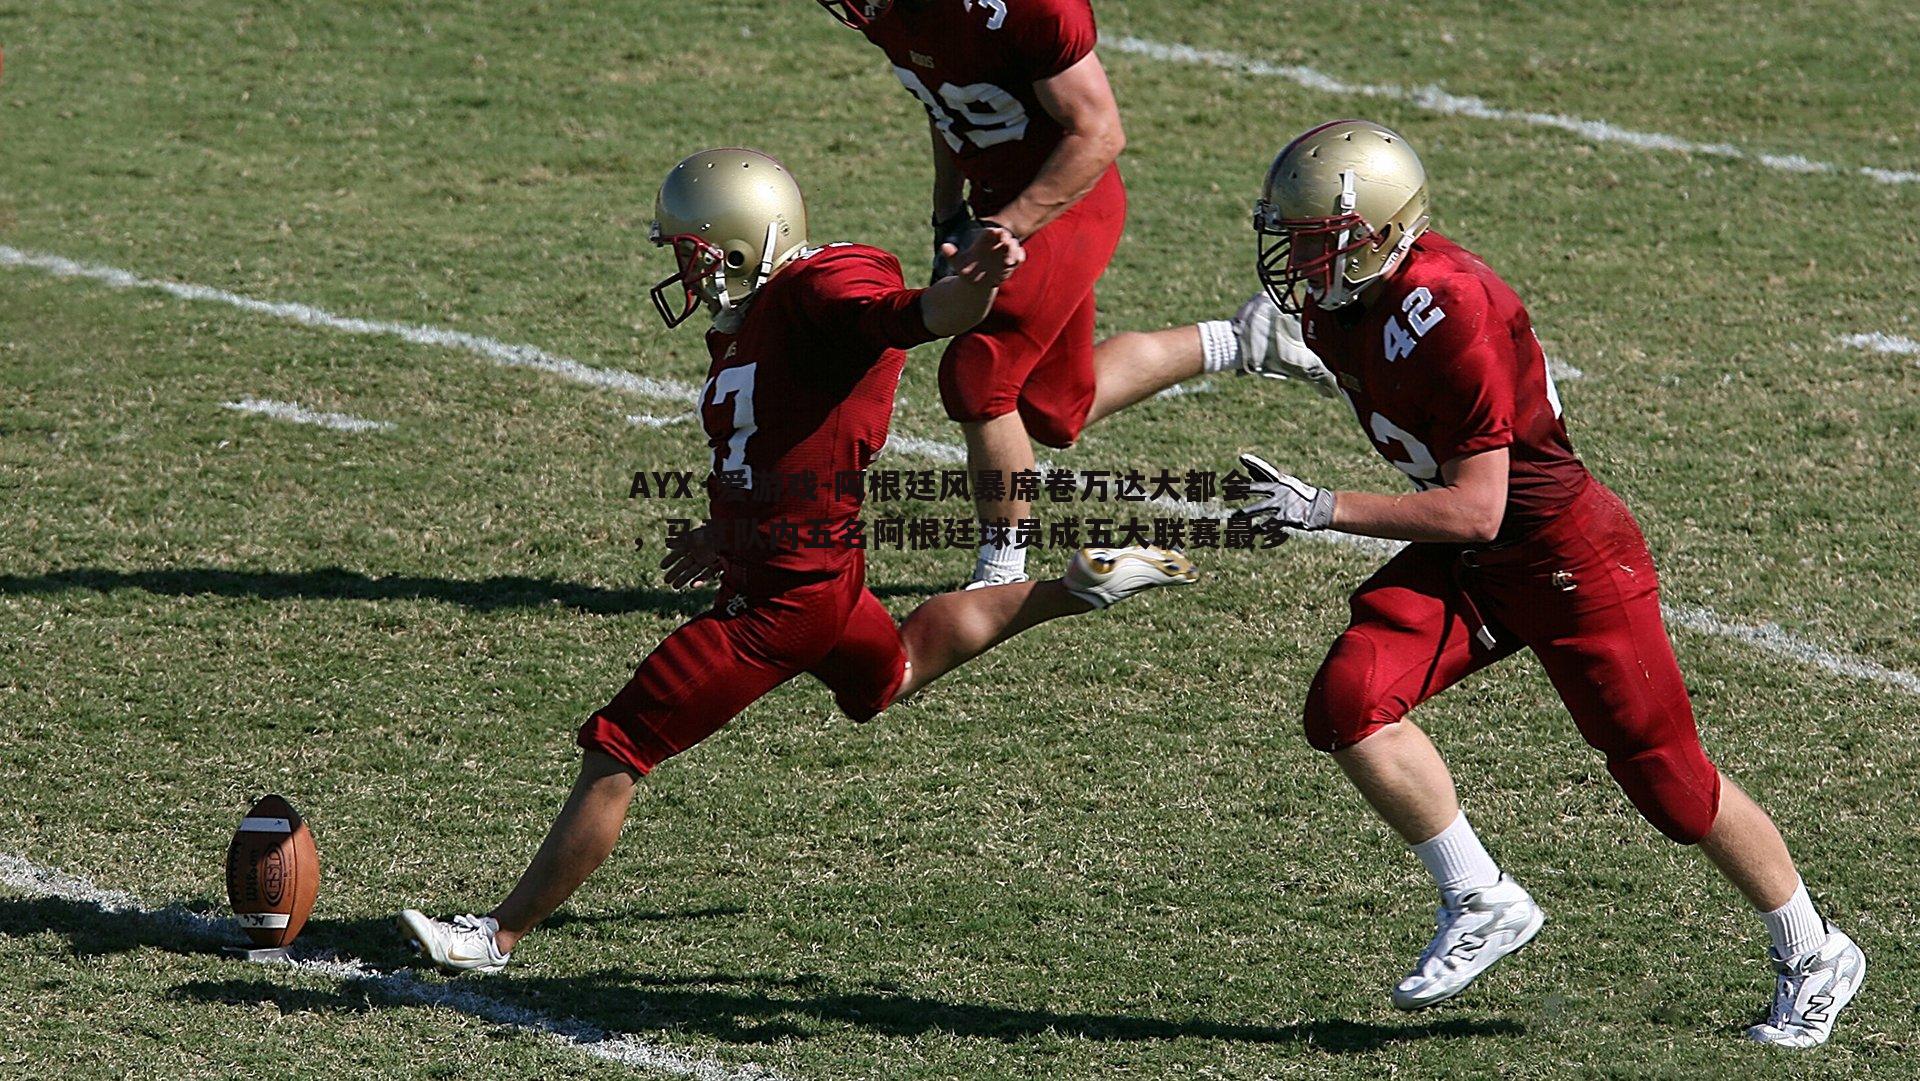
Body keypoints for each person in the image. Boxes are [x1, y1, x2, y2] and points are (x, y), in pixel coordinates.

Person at [398, 148, 1197, 972]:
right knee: (891, 674)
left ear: (747, 243)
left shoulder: (821, 290)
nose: (684, 267)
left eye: (694, 250)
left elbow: (915, 314)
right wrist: (726, 530)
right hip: (821, 572)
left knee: (621, 744)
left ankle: (494, 935)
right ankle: (1078, 587)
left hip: (778, 604)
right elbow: (781, 440)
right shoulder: (761, 316)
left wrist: (974, 287)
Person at [1230, 120, 1863, 1048]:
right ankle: (1480, 896)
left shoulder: (1454, 307)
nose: (1298, 257)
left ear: (1379, 232)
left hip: (1561, 551)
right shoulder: (1340, 300)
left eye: (1317, 238)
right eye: (1292, 235)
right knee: (1350, 699)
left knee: (1669, 783)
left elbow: (1478, 508)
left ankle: (1815, 948)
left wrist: (1323, 507)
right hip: (1482, 560)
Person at [817, 0, 1327, 588]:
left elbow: (1100, 132)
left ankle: (1002, 571)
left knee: (977, 376)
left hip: (1068, 204)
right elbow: (948, 106)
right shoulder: (893, 15)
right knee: (1058, 409)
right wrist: (948, 210)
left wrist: (1008, 224)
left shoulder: (1025, 9)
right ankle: (1249, 339)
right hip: (998, 205)